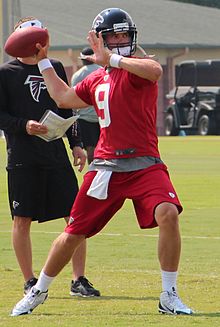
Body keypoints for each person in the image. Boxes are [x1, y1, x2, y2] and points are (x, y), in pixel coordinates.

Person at [11, 8, 193, 316]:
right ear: (102, 39)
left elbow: (155, 71)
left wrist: (114, 59)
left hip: (145, 162)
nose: (120, 40)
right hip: (106, 167)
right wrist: (43, 61)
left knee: (168, 213)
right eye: (114, 36)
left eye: (124, 35)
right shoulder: (97, 78)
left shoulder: (138, 68)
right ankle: (38, 290)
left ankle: (169, 294)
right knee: (74, 232)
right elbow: (64, 98)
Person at [0, 16, 100, 299]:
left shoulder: (54, 67)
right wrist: (24, 125)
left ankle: (78, 279)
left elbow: (67, 106)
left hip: (55, 154)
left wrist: (77, 144)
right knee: (22, 219)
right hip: (22, 157)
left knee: (76, 217)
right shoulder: (5, 73)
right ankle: (30, 280)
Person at [71, 47, 100, 164]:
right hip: (102, 116)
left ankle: (93, 171)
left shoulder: (77, 75)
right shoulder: (103, 70)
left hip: (84, 117)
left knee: (90, 147)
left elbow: (73, 97)